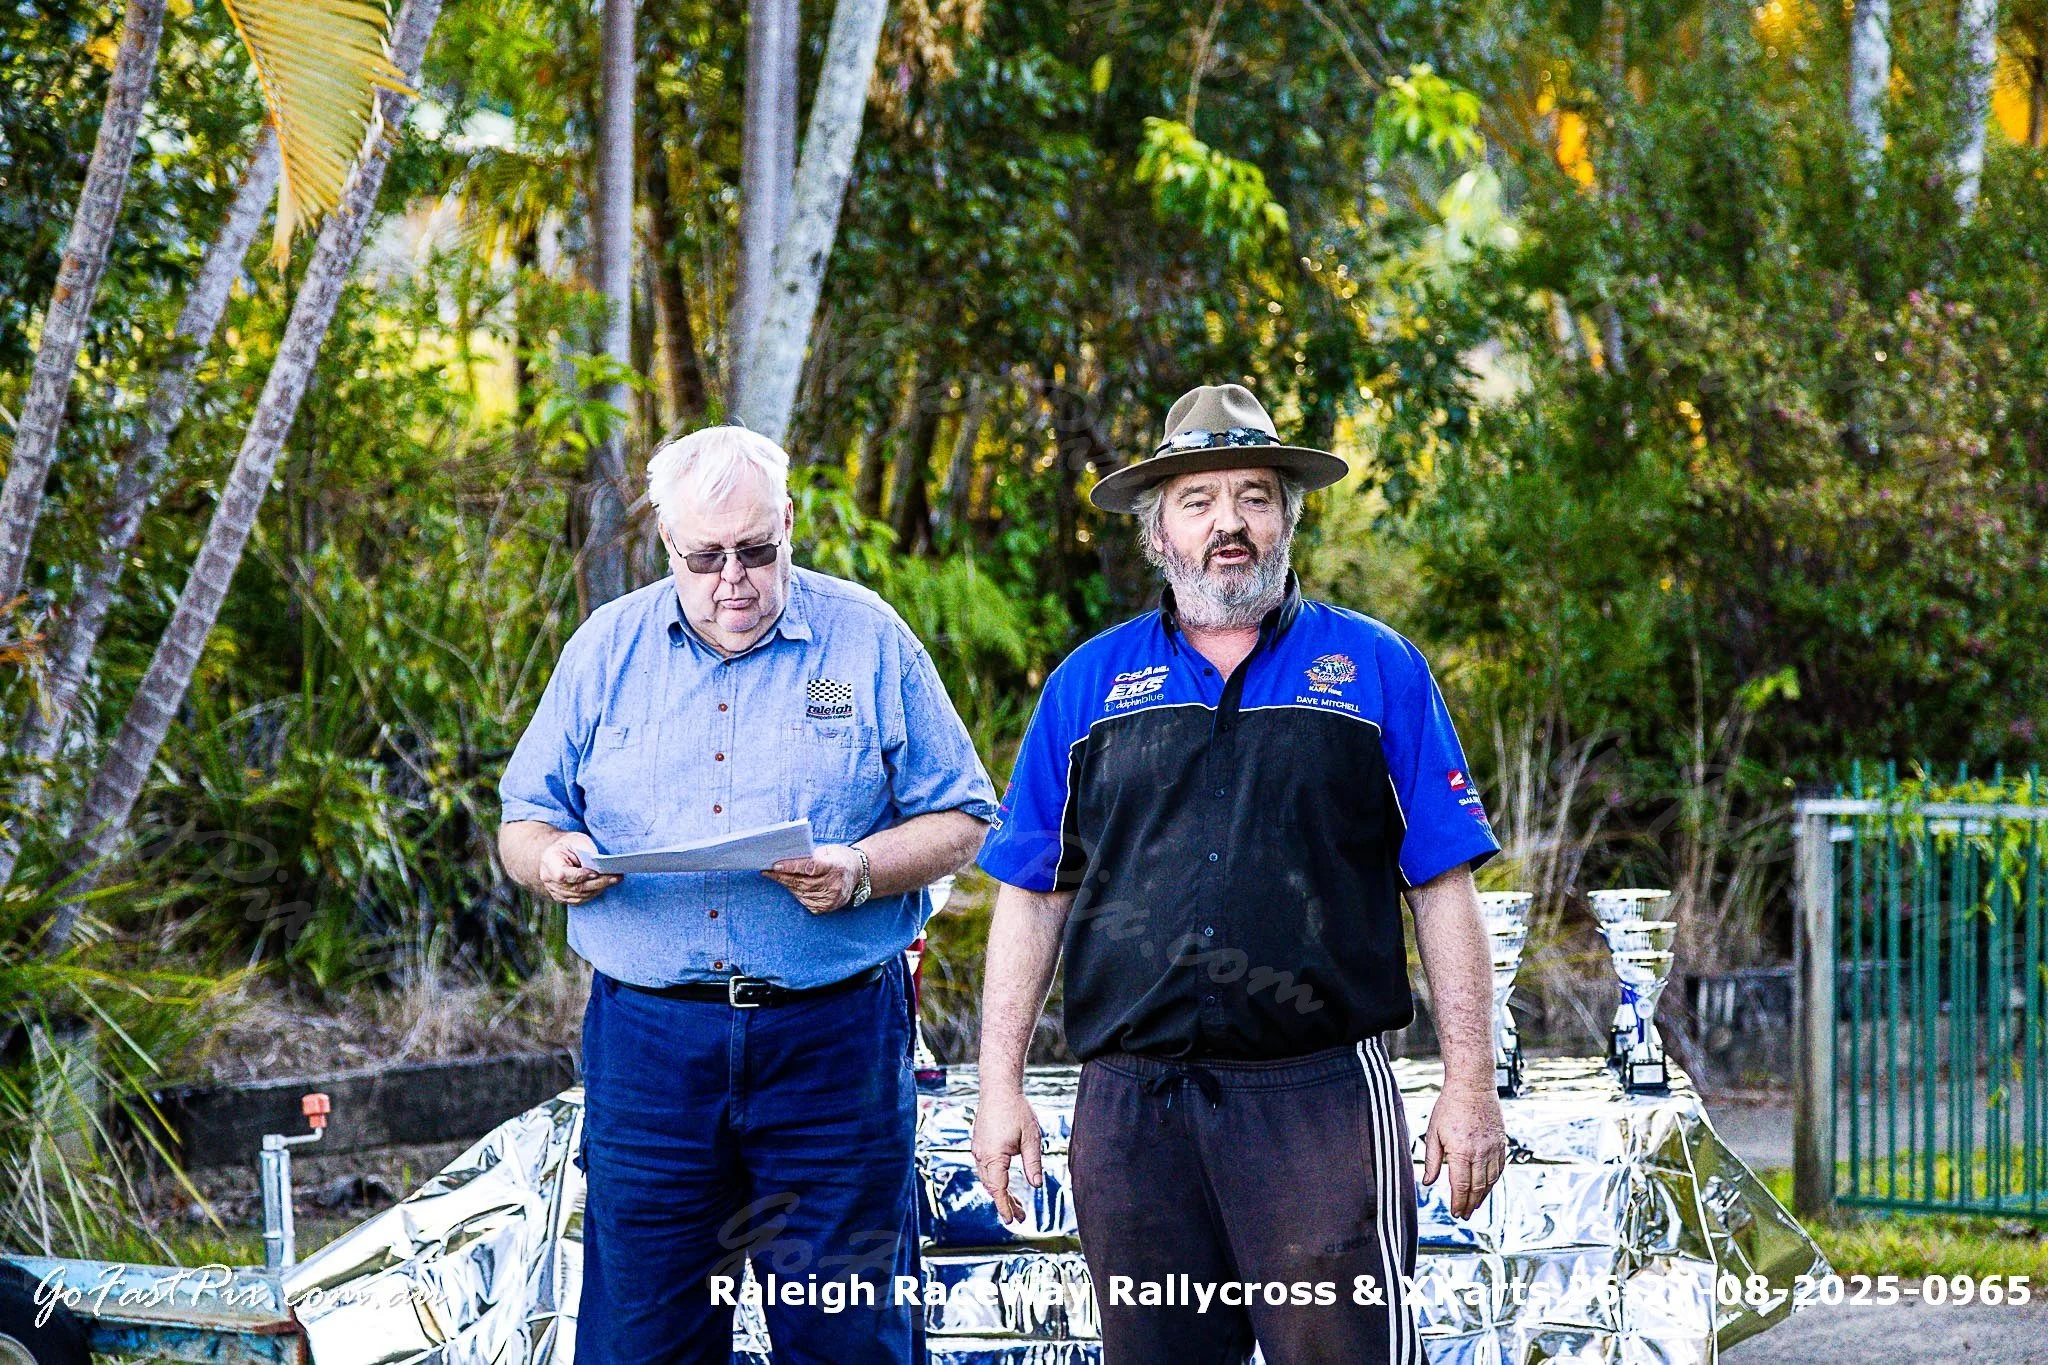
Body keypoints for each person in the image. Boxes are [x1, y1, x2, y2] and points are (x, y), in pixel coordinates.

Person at [971, 383, 1509, 1364]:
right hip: (1131, 1117)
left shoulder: (1375, 670)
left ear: (1286, 518)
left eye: (1254, 495)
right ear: (1155, 531)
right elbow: (1030, 894)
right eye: (1198, 498)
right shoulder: (1085, 687)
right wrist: (995, 1087)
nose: (1229, 522)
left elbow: (1441, 885)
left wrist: (1469, 1085)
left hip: (1317, 1110)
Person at [498, 425, 997, 1364]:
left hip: (832, 1047)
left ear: (791, 526)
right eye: (706, 556)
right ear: (665, 542)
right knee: (647, 1335)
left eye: (758, 550)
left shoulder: (868, 637)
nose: (734, 577)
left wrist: (860, 870)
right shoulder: (607, 648)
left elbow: (967, 817)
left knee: (850, 1333)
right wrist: (552, 859)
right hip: (651, 1049)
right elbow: (523, 817)